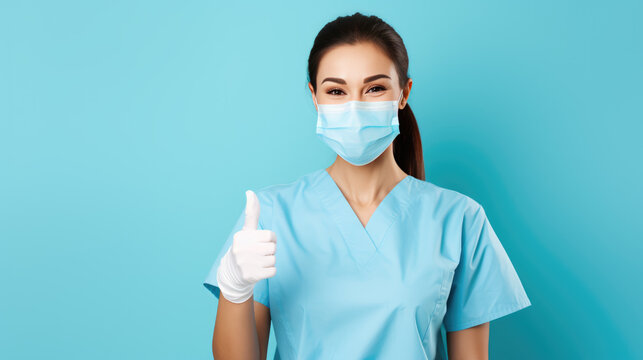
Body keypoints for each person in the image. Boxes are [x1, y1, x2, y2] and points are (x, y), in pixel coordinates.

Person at [203, 12, 531, 360]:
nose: (355, 107)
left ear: (403, 93)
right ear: (315, 98)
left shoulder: (459, 220)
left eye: (374, 88)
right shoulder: (271, 215)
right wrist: (235, 290)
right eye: (336, 90)